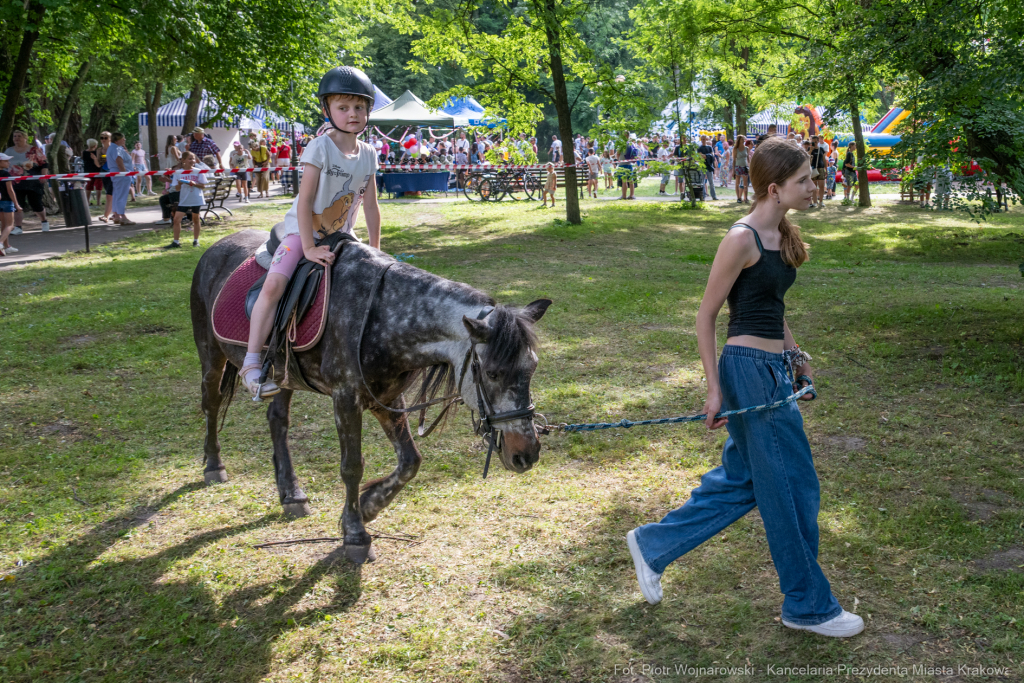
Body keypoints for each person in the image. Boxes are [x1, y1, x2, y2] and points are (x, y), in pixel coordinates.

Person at [627, 137, 863, 639]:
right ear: (774, 188)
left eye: (812, 178)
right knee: (792, 487)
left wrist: (797, 358)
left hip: (773, 368)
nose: (814, 186)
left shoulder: (781, 234)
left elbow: (772, 310)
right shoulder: (742, 238)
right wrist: (714, 389)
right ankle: (808, 606)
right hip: (748, 372)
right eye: (804, 180)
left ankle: (653, 545)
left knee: (748, 480)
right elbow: (706, 316)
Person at [242, 66, 381, 399]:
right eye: (343, 107)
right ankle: (251, 363)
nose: (352, 114)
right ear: (326, 110)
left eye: (359, 107)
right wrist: (307, 248)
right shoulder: (320, 147)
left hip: (342, 236)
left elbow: (372, 206)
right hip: (300, 233)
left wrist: (376, 249)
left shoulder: (369, 154)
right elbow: (304, 202)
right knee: (274, 285)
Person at [4, 129, 50, 234]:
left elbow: (44, 164)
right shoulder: (9, 151)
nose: (16, 138)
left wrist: (43, 175)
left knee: (36, 204)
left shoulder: (34, 150)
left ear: (25, 138)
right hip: (15, 183)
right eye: (15, 136)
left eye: (19, 136)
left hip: (33, 182)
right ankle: (18, 227)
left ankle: (44, 221)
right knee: (17, 205)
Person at [163, 151, 206, 247]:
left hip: (196, 198)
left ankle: (196, 241)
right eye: (190, 159)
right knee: (176, 219)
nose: (192, 161)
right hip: (184, 199)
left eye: (193, 159)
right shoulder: (178, 172)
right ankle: (176, 242)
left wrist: (194, 184)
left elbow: (203, 186)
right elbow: (177, 189)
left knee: (196, 219)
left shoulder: (198, 171)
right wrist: (180, 183)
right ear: (183, 160)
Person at [108, 133, 136, 225]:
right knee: (122, 196)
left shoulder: (113, 148)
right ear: (117, 140)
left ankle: (116, 215)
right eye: (122, 138)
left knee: (117, 194)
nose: (124, 140)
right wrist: (124, 173)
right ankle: (122, 217)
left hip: (117, 174)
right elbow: (119, 161)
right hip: (122, 175)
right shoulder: (116, 149)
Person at [0, 153, 21, 255]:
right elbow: (10, 190)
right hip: (7, 201)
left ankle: (6, 246)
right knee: (10, 225)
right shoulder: (5, 174)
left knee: (4, 225)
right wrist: (17, 204)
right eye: (5, 161)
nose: (8, 163)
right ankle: (0, 243)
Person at [697, 135, 719, 201]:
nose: (703, 140)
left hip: (709, 166)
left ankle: (714, 196)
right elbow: (700, 156)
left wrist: (706, 156)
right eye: (702, 139)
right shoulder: (699, 148)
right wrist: (707, 156)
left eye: (704, 139)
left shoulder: (709, 147)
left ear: (706, 139)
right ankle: (703, 196)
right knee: (702, 182)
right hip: (702, 166)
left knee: (711, 182)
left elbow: (712, 156)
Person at [808, 135, 827, 208]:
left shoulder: (821, 149)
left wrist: (826, 169)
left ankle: (821, 201)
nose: (815, 143)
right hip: (813, 168)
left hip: (821, 168)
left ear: (818, 141)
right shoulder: (810, 149)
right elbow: (807, 158)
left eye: (816, 142)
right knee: (814, 186)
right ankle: (815, 202)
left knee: (822, 186)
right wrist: (810, 150)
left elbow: (824, 159)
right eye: (813, 142)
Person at [732, 135, 749, 204]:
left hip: (745, 167)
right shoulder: (735, 149)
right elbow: (734, 160)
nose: (743, 140)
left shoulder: (746, 148)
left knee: (745, 183)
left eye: (744, 139)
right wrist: (733, 170)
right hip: (738, 167)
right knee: (737, 183)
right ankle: (738, 198)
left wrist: (749, 166)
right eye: (742, 139)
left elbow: (748, 159)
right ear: (739, 140)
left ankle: (746, 198)